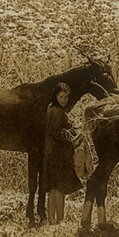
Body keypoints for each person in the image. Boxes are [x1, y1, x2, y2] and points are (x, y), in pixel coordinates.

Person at [42, 82, 83, 223]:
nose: (64, 100)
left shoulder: (52, 110)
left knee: (53, 189)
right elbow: (58, 134)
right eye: (61, 97)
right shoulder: (57, 112)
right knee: (59, 190)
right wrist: (74, 132)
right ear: (55, 96)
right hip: (58, 155)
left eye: (66, 97)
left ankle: (51, 219)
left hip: (52, 154)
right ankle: (59, 220)